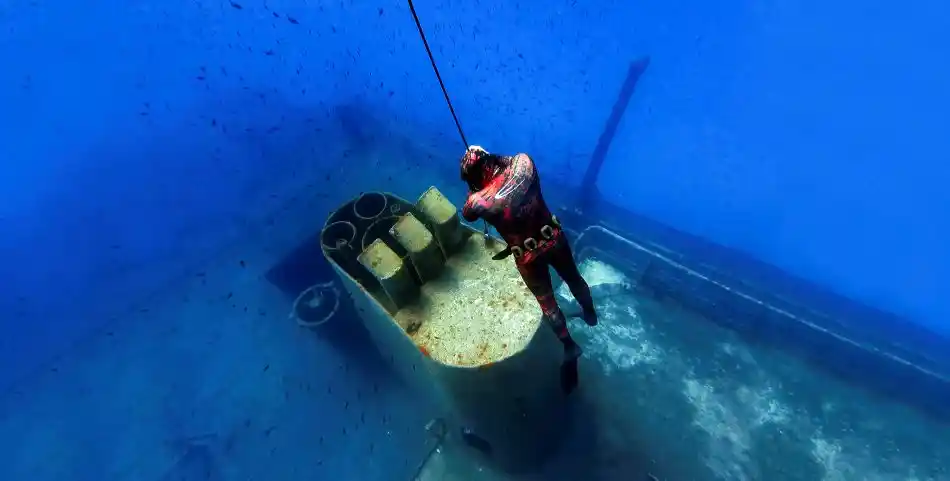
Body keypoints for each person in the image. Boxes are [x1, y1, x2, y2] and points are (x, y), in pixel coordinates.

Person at [459, 145, 598, 361]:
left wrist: (474, 185)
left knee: (548, 305)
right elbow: (507, 161)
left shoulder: (477, 201)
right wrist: (488, 155)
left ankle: (570, 346)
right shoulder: (523, 164)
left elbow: (467, 214)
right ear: (489, 158)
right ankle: (590, 314)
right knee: (574, 278)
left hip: (527, 257)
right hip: (553, 239)